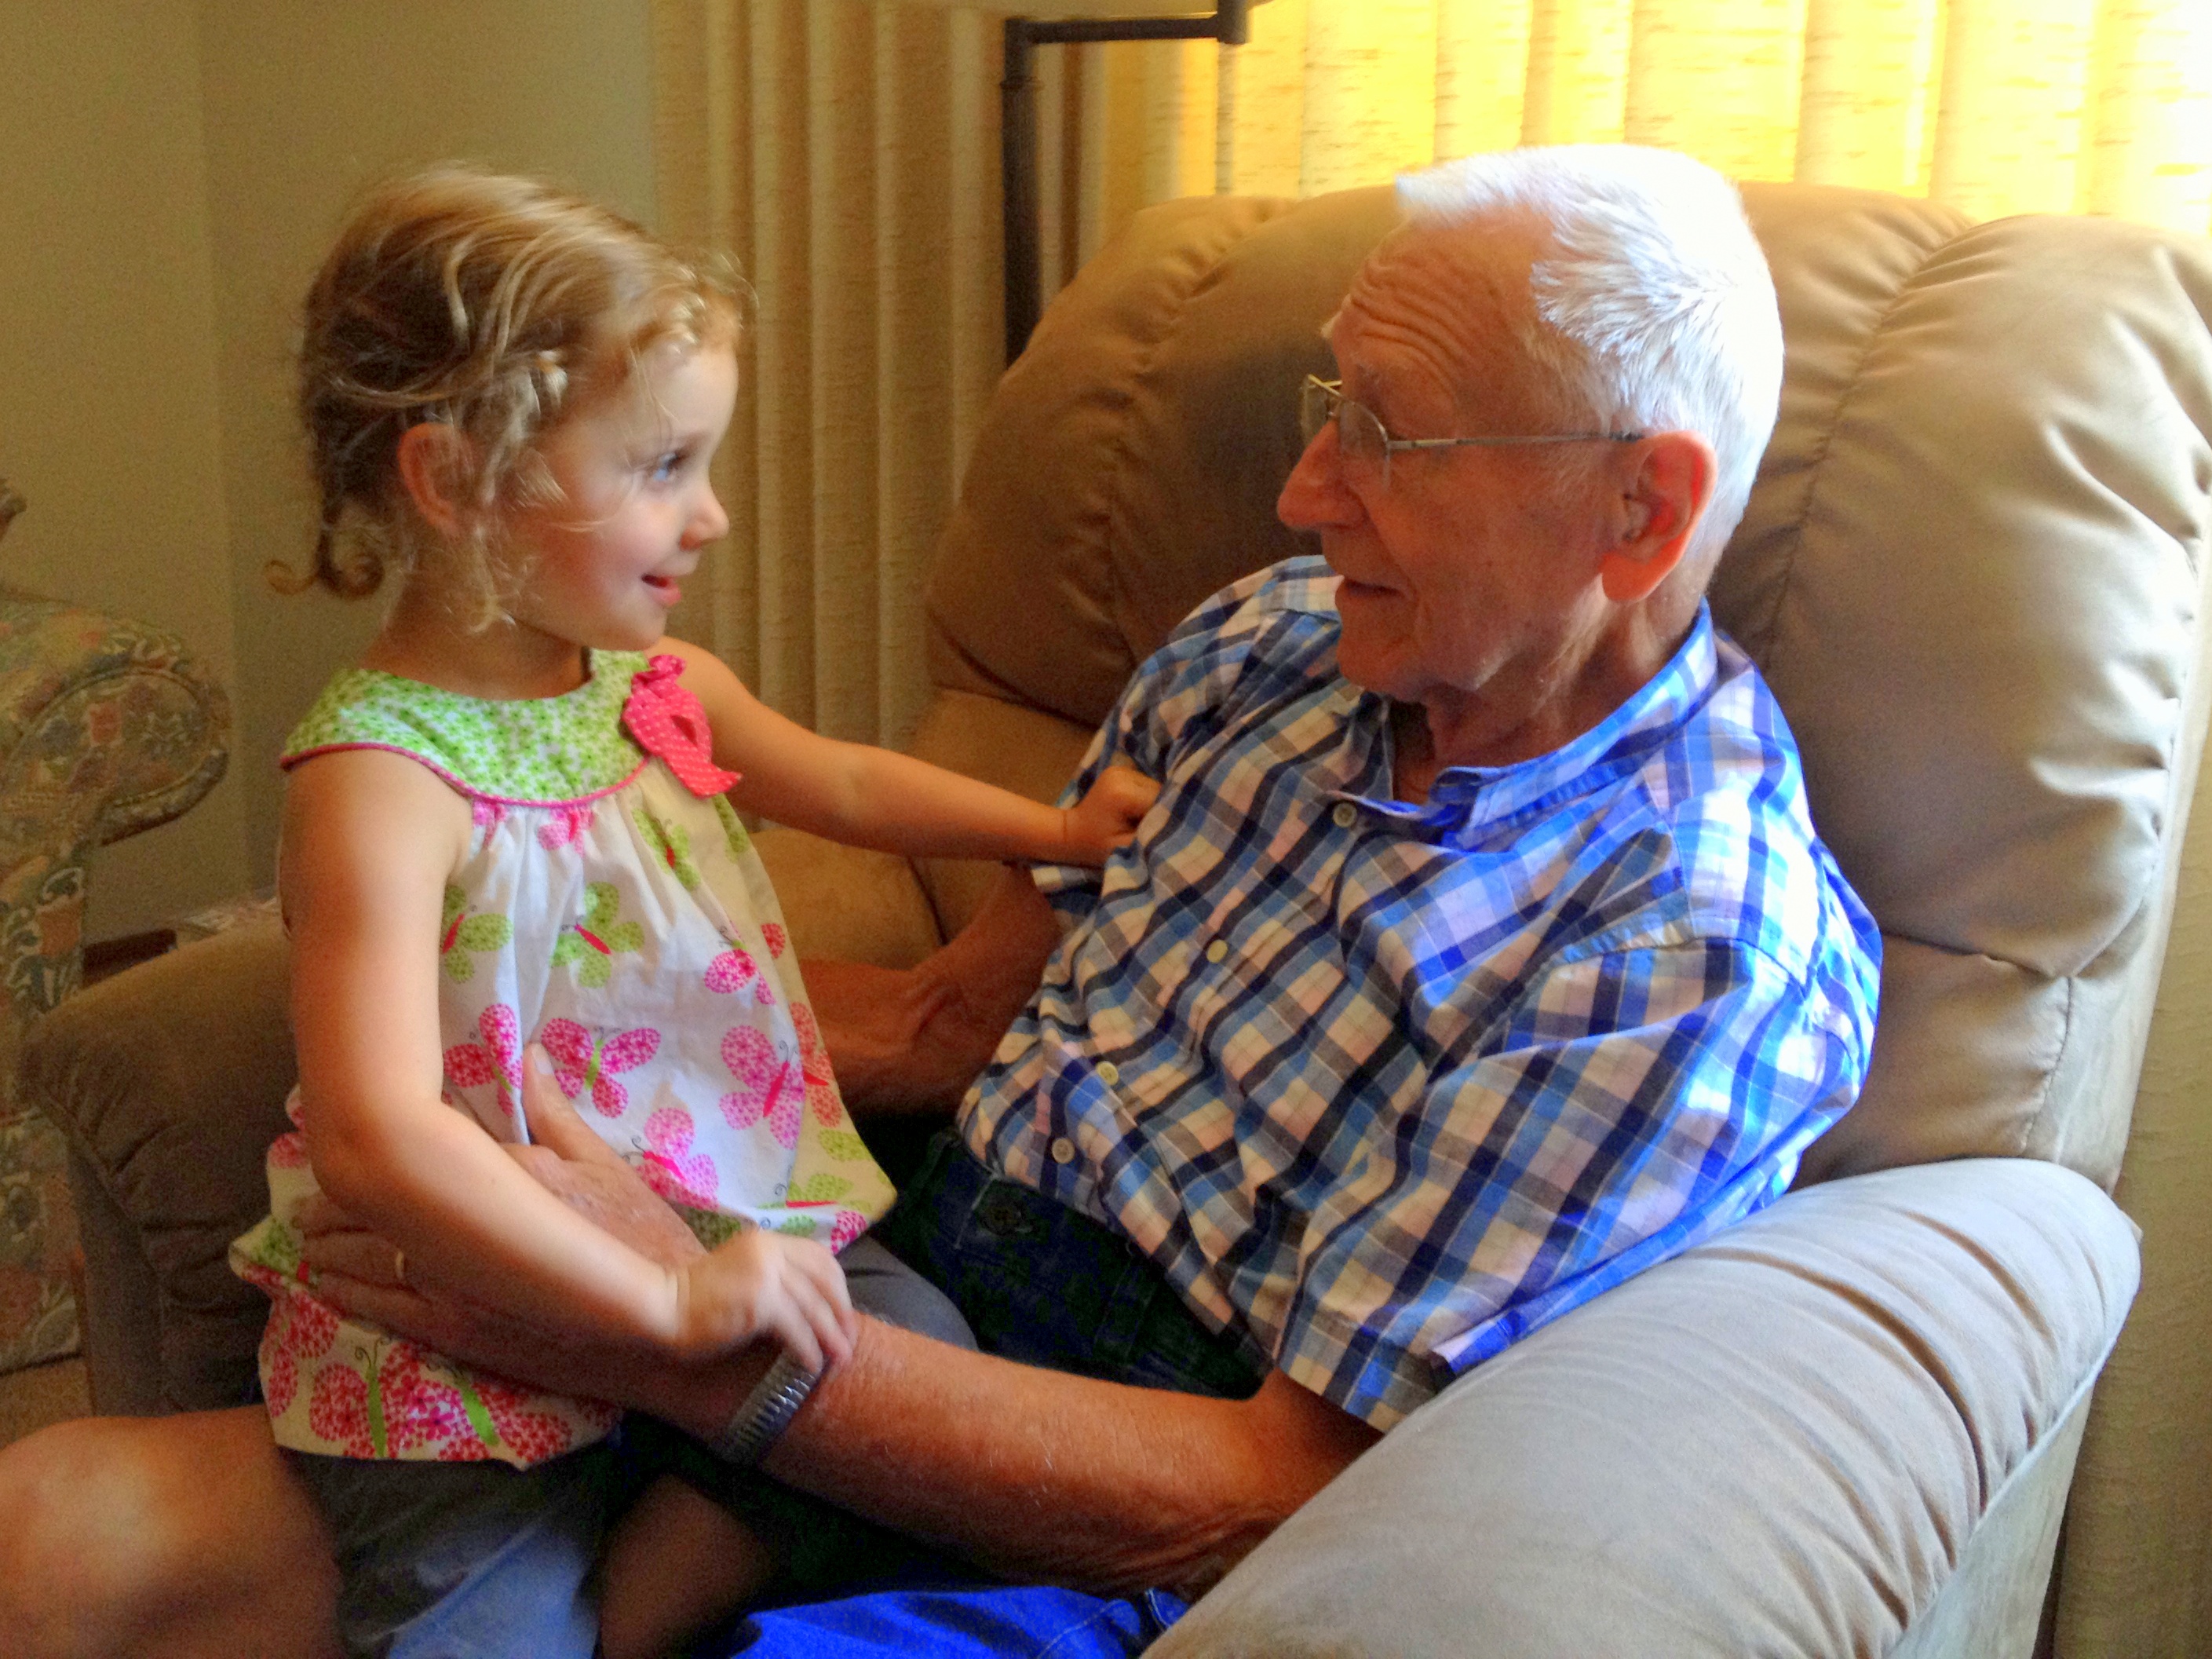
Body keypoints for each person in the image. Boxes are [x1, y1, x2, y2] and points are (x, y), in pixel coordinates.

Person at [0, 143, 1881, 1658]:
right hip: (864, 1268)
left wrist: (664, 1323)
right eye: (1331, 405)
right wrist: (561, 1119)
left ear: (1636, 511)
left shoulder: (1680, 949)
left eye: (1386, 433)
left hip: (1092, 1485)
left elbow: (1282, 1485)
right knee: (52, 1526)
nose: (1304, 493)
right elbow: (955, 1018)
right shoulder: (1272, 651)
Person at [220, 165, 1157, 1659]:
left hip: (731, 1198)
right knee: (484, 1632)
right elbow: (376, 1135)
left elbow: (846, 783)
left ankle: (631, 1621)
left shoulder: (653, 687)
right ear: (456, 483)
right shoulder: (378, 779)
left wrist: (1047, 829)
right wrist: (662, 1308)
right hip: (478, 1294)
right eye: (661, 465)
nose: (710, 515)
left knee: (917, 1348)